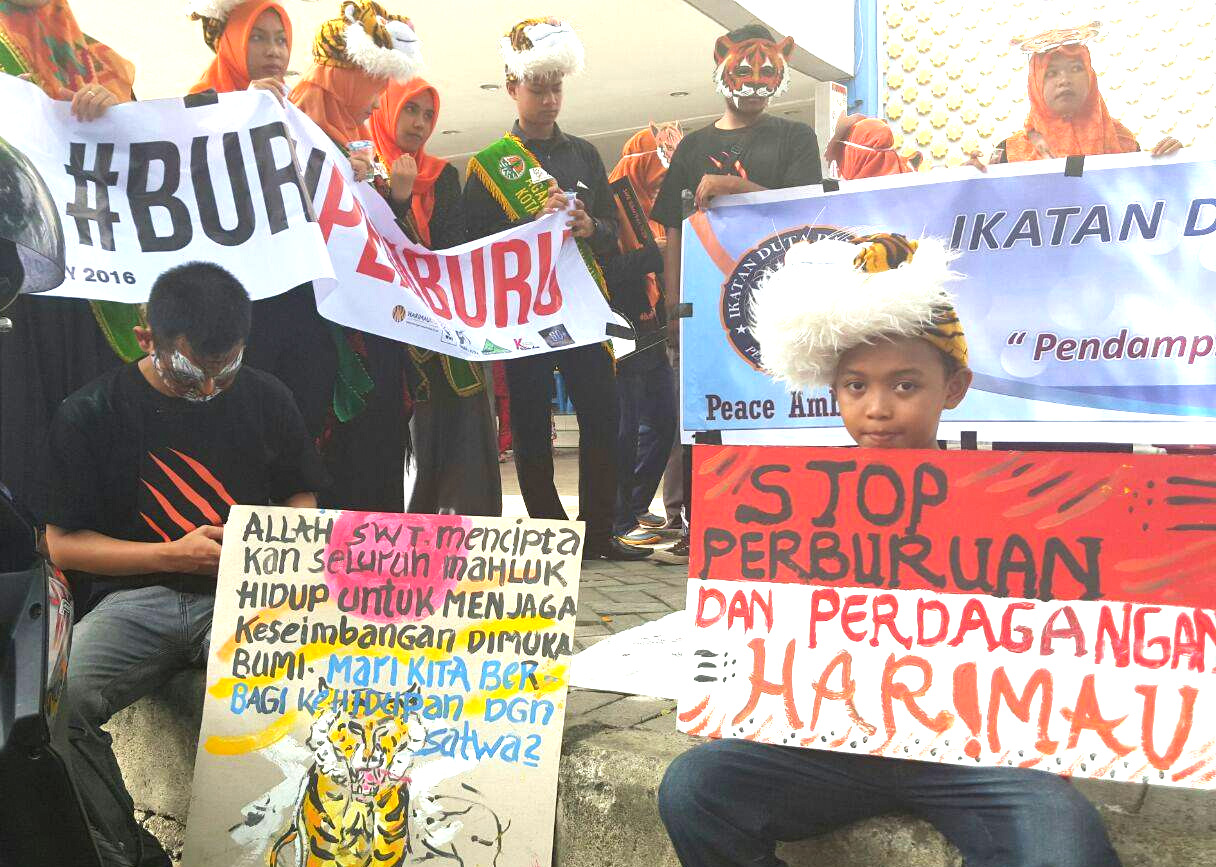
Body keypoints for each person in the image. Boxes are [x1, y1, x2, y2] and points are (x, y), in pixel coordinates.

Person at [658, 233, 1120, 867]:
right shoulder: (790, 503)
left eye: (905, 386)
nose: (877, 409)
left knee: (1064, 848)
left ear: (953, 387)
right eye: (855, 386)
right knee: (694, 788)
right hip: (830, 744)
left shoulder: (1014, 505)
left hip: (975, 751)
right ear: (834, 390)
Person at [45, 262, 328, 867]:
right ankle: (129, 853)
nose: (209, 388)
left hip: (246, 595)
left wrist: (266, 545)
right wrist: (170, 555)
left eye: (226, 369)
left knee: (317, 691)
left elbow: (302, 496)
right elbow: (62, 543)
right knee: (57, 704)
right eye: (190, 373)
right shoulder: (92, 411)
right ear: (145, 337)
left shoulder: (266, 396)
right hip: (134, 599)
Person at [463, 17, 646, 561]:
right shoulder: (488, 166)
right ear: (512, 87)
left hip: (582, 306)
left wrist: (591, 226)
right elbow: (472, 245)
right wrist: (527, 225)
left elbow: (614, 233)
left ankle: (600, 531)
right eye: (537, 89)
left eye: (556, 88)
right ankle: (552, 535)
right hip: (524, 313)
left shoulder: (585, 153)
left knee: (602, 415)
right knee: (530, 424)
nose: (548, 100)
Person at [651, 23, 824, 565]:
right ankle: (705, 524)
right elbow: (672, 228)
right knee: (705, 416)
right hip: (703, 310)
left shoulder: (795, 138)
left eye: (767, 71)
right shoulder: (694, 146)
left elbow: (806, 211)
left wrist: (735, 187)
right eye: (743, 70)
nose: (753, 82)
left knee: (777, 408)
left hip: (779, 302)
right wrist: (674, 307)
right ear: (721, 65)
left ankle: (785, 522)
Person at [0, 0, 142, 523]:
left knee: (91, 422)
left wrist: (115, 111)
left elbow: (143, 153)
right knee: (23, 417)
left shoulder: (98, 61)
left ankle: (91, 547)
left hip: (94, 280)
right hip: (19, 278)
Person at [287, 0, 422, 512]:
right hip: (318, 332)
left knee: (375, 458)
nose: (378, 98)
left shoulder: (358, 145)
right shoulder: (293, 131)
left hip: (370, 325)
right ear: (343, 77)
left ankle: (376, 553)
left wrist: (390, 198)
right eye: (372, 82)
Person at [368, 76, 502, 516]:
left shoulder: (443, 176)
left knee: (463, 435)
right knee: (405, 446)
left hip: (443, 330)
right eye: (410, 109)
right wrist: (398, 199)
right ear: (386, 109)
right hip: (386, 333)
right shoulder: (361, 169)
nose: (419, 123)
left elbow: (450, 249)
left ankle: (463, 535)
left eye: (428, 114)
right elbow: (368, 250)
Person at [607, 125, 682, 548]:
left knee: (665, 419)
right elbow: (604, 270)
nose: (660, 185)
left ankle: (635, 503)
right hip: (621, 330)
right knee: (625, 426)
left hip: (652, 326)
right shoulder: (609, 203)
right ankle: (619, 517)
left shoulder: (653, 209)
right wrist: (655, 253)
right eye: (657, 175)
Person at [992, 22, 1181, 163]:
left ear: (1091, 77)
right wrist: (975, 179)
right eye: (1051, 73)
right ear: (1035, 84)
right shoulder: (1008, 154)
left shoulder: (1125, 145)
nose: (1064, 80)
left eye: (1076, 68)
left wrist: (1175, 165)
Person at [188, 0, 292, 99]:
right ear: (230, 45)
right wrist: (247, 104)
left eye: (281, 40)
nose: (273, 51)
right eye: (257, 37)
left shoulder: (293, 103)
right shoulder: (200, 105)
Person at [823, 114, 913, 179]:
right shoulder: (909, 178)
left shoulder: (853, 194)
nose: (841, 160)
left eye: (844, 152)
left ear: (859, 156)